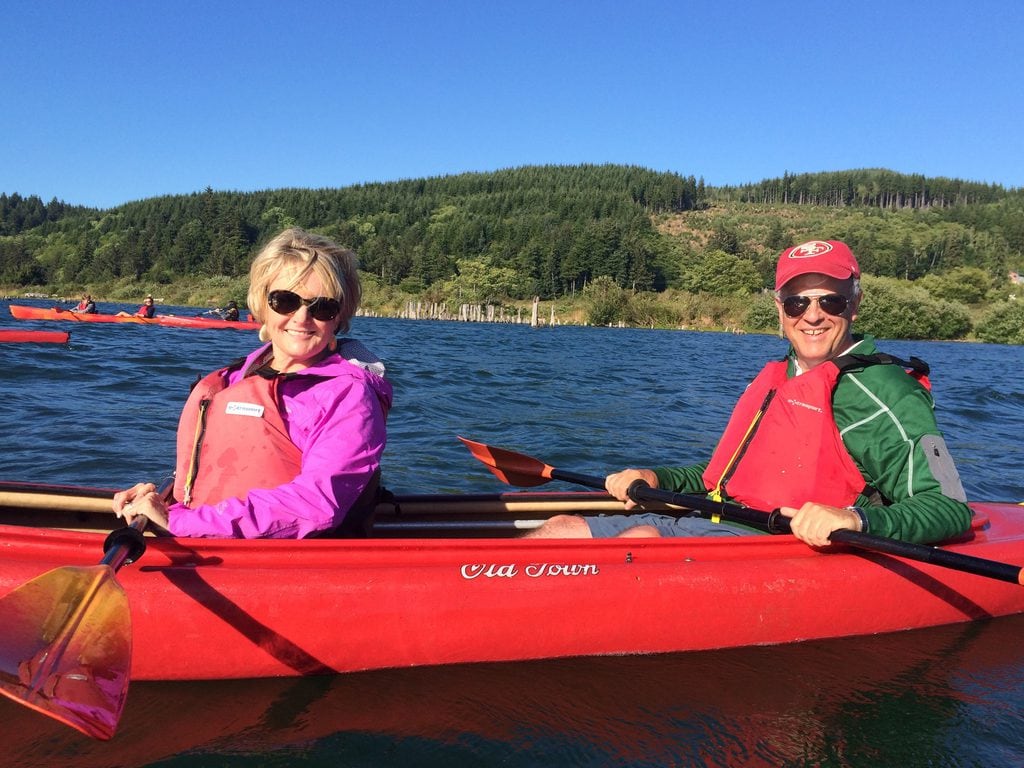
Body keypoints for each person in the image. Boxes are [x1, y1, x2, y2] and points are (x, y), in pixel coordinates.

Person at [529, 239, 972, 546]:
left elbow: (950, 509)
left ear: (853, 304)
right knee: (562, 526)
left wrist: (854, 518)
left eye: (830, 301)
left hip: (782, 545)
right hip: (716, 520)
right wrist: (656, 477)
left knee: (639, 541)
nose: (812, 315)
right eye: (798, 302)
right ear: (780, 309)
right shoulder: (781, 375)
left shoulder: (884, 390)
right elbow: (725, 477)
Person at [113, 227, 393, 538]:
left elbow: (317, 503)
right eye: (285, 301)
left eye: (322, 307)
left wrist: (180, 523)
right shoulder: (238, 377)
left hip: (286, 564)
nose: (302, 318)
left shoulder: (349, 397)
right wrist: (163, 505)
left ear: (339, 317)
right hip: (210, 539)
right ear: (263, 304)